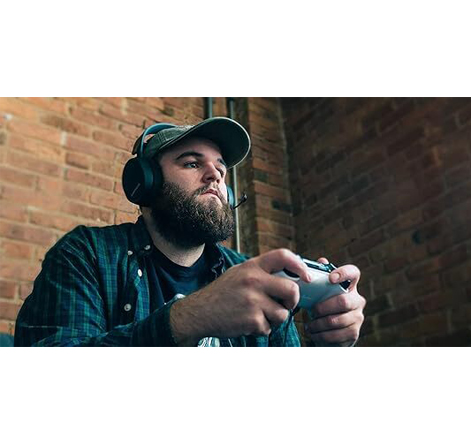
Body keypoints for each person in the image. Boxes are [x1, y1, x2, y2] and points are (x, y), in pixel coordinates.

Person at [14, 117, 366, 346]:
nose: (215, 176)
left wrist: (328, 346)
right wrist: (189, 317)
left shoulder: (252, 276)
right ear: (145, 184)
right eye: (192, 163)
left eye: (221, 170)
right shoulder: (87, 253)